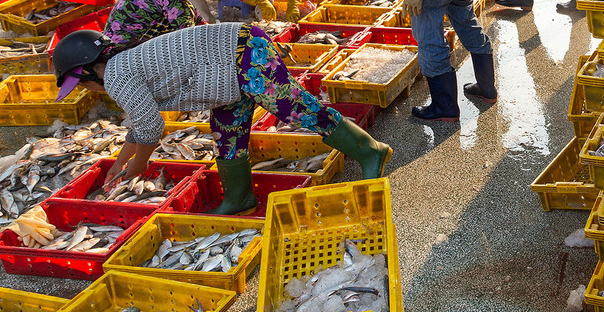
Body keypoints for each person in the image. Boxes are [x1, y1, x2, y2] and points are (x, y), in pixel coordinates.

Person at [51, 24, 392, 217]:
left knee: (295, 109)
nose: (87, 90)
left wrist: (139, 165)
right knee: (227, 134)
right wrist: (119, 164)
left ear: (87, 70)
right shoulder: (121, 66)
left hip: (242, 52)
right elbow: (138, 126)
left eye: (80, 83)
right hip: (226, 77)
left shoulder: (116, 75)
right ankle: (239, 197)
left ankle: (368, 150)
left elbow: (151, 129)